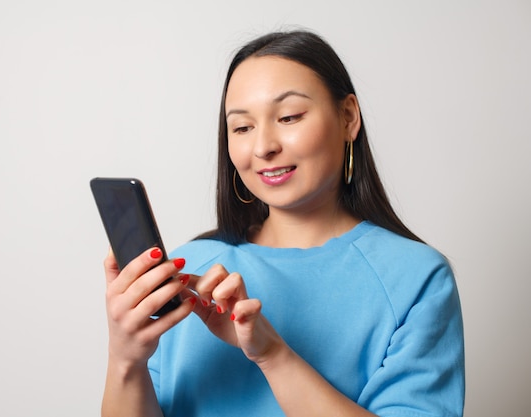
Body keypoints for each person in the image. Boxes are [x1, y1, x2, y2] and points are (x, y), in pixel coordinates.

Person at [101, 29, 465, 417]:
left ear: (348, 118)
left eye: (289, 117)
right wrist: (125, 359)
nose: (263, 147)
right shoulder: (190, 271)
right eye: (242, 127)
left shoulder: (415, 278)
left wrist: (273, 354)